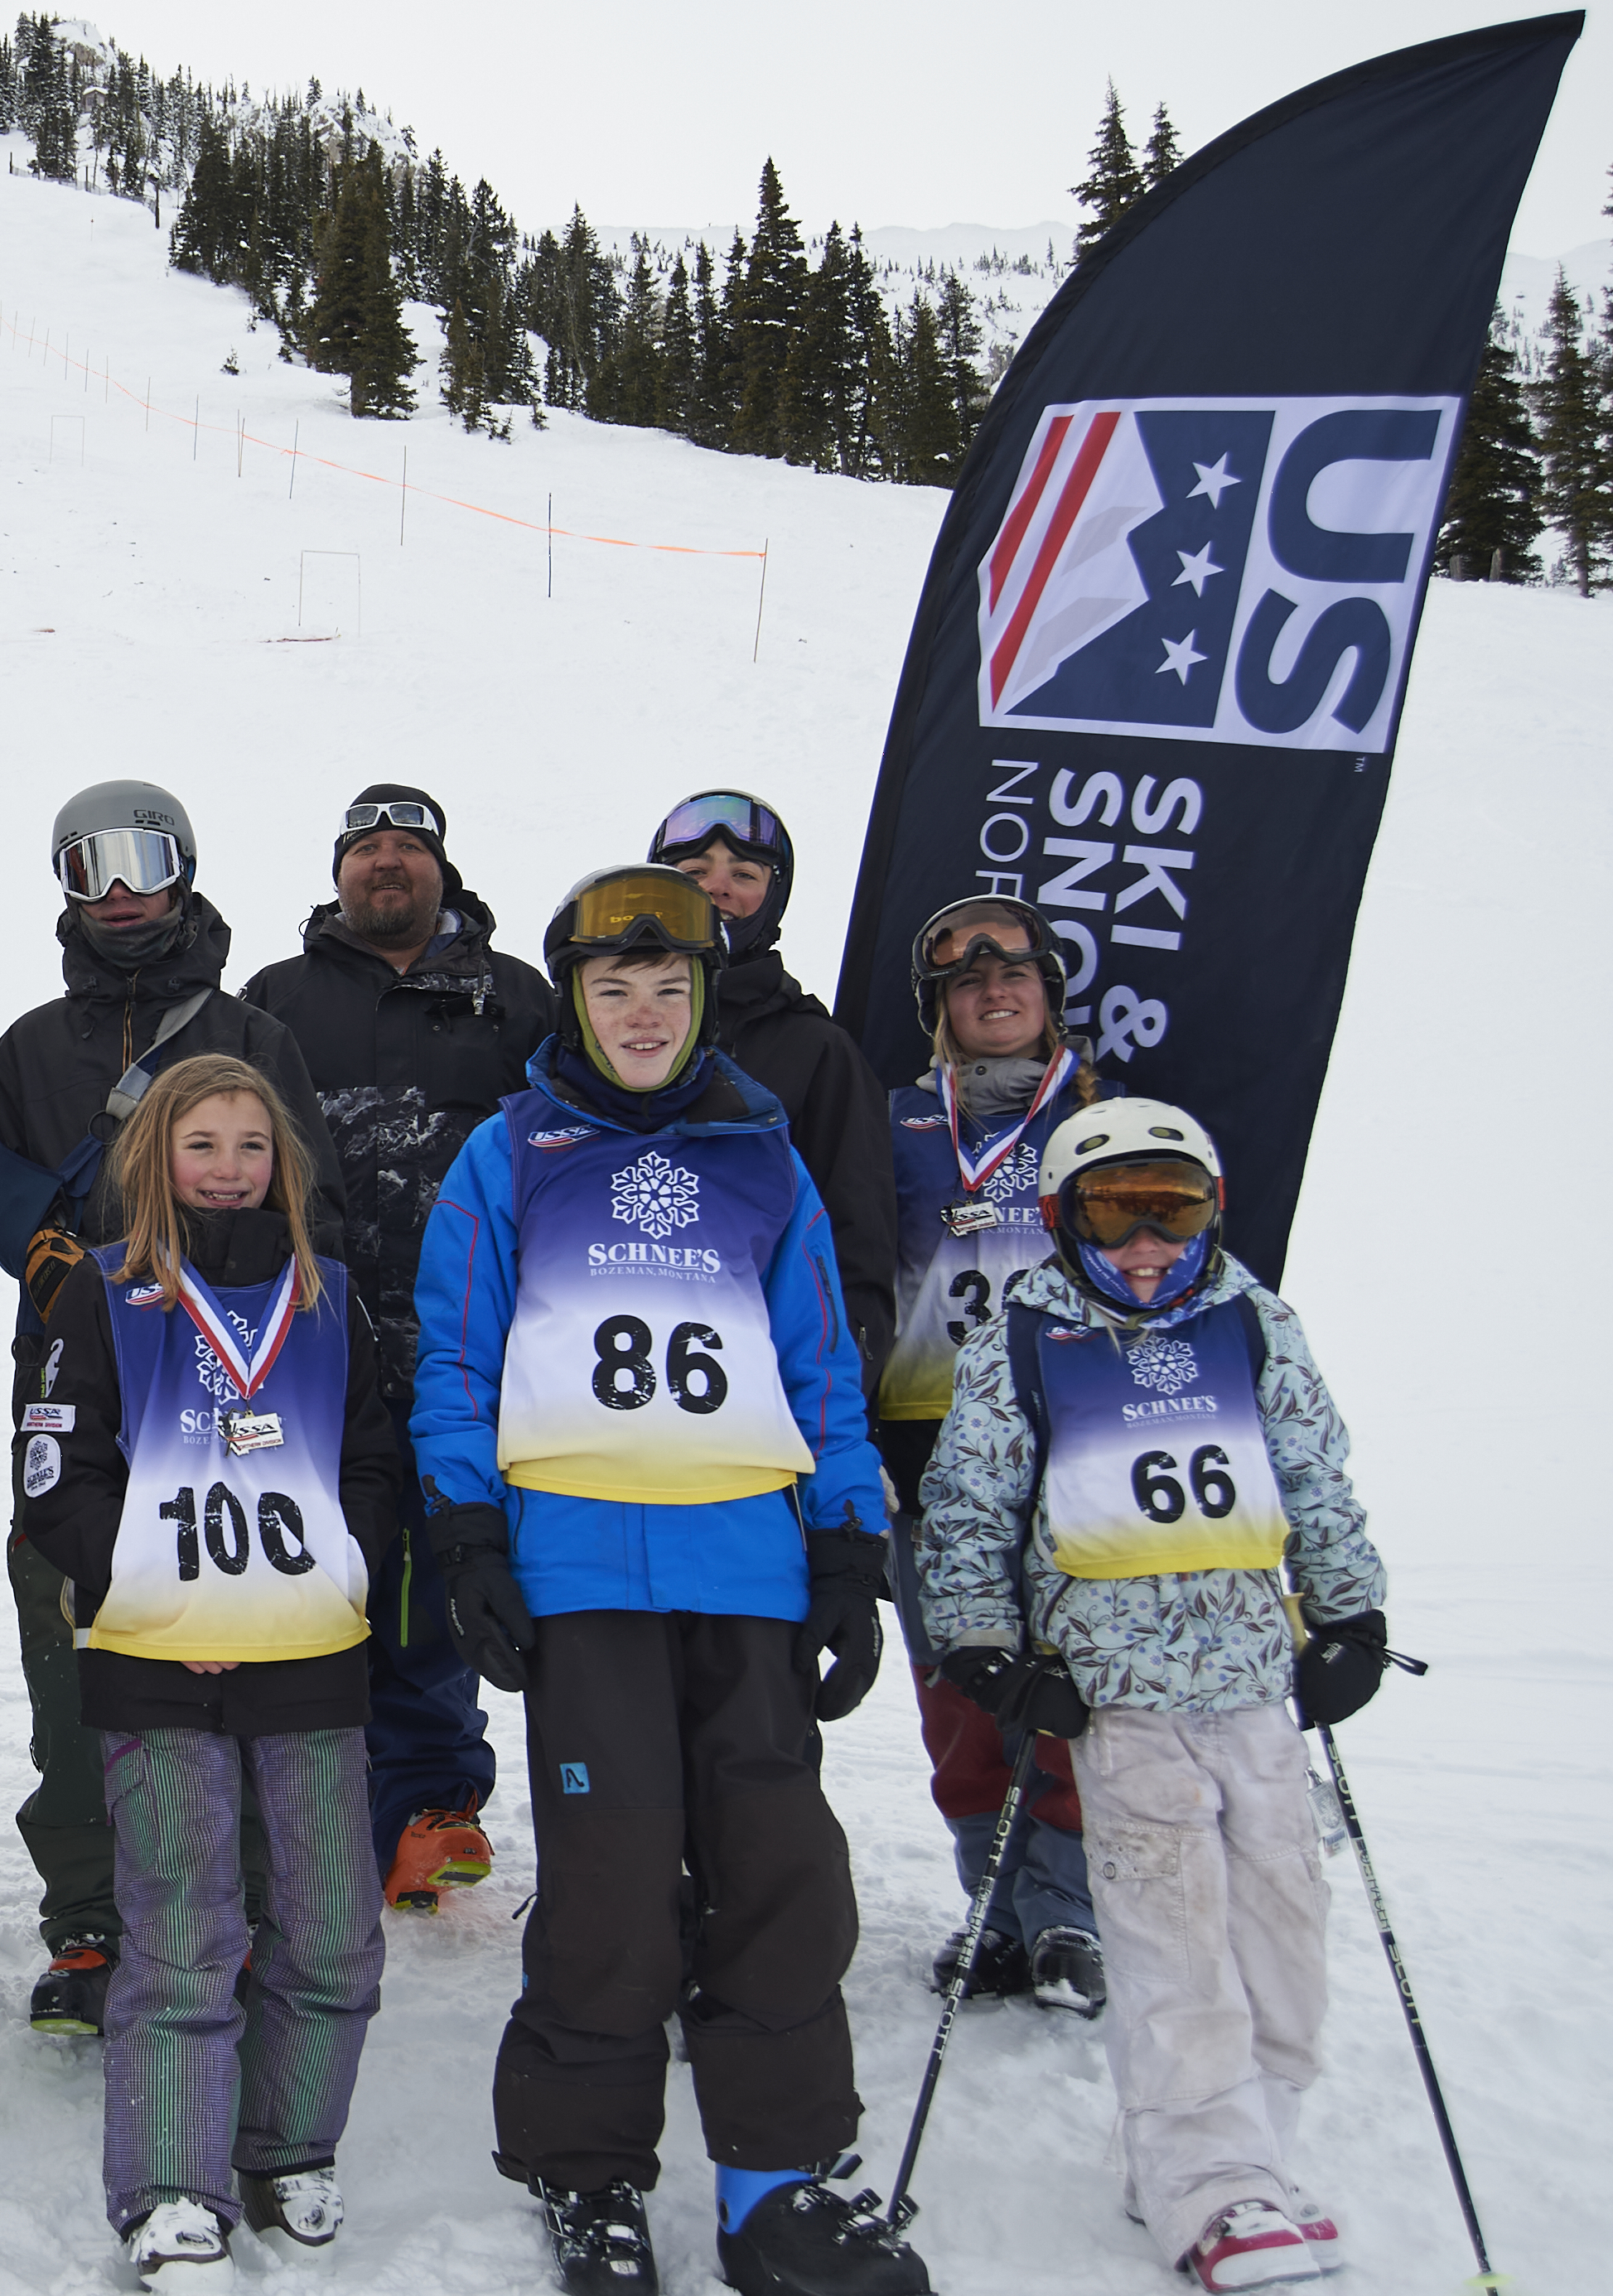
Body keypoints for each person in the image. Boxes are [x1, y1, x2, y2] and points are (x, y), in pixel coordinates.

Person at [406, 866, 931, 2296]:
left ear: (703, 1001)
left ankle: (774, 2185)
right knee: (615, 1876)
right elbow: (454, 1361)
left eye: (667, 988)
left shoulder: (765, 1160)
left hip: (748, 1573)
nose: (641, 1013)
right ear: (574, 1001)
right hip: (580, 1578)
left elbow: (821, 1368)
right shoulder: (509, 1154)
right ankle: (588, 2175)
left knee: (778, 1868)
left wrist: (846, 1547)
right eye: (612, 988)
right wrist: (468, 1535)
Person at [912, 1099, 1385, 2294]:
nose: (1143, 1246)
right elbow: (968, 1505)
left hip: (1254, 1683)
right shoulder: (1028, 1337)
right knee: (1173, 1939)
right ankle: (1206, 2184)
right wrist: (985, 1647)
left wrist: (1349, 1616)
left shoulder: (1252, 1322)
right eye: (1111, 1215)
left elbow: (1314, 1473)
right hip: (1116, 1695)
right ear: (1062, 1219)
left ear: (1210, 1211)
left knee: (1283, 1931)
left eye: (1170, 1213)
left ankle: (1255, 2156)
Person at [15, 1055, 392, 2284]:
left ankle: (290, 2146)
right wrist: (150, 1593)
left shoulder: (330, 1296)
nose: (228, 1169)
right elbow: (54, 1472)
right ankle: (172, 2184)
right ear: (154, 1160)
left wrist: (342, 1573)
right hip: (160, 1655)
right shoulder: (103, 1293)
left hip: (307, 1653)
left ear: (283, 1164)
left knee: (330, 1924)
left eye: (250, 1146)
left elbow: (374, 1462)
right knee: (183, 1926)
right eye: (201, 1145)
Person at [0, 779, 340, 2036]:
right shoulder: (30, 1049)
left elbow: (309, 1202)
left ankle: (232, 1915)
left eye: (142, 858)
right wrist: (40, 1255)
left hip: (229, 1395)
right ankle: (91, 1917)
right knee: (76, 1650)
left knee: (233, 1653)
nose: (120, 888)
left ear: (183, 867)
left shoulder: (250, 1035)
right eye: (89, 865)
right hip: (74, 1392)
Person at [242, 784, 553, 1914]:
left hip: (462, 1340)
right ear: (337, 872)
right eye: (365, 846)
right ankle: (306, 1801)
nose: (386, 862)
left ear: (440, 869)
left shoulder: (516, 998)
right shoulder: (275, 998)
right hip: (304, 1332)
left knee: (430, 1571)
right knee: (308, 1561)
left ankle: (430, 1804)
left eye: (407, 846)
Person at [875, 897, 1117, 2014]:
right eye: (966, 981)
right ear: (939, 1007)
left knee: (1068, 1682)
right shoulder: (895, 1123)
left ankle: (1067, 1911)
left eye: (1013, 972)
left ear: (1048, 990)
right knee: (959, 1691)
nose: (992, 991)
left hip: (1076, 1447)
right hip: (929, 1446)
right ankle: (995, 1908)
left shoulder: (1106, 1120)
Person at [650, 789, 897, 1377]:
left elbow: (856, 1238)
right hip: (597, 1361)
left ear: (774, 898)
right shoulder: (595, 1028)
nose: (717, 888)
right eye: (694, 872)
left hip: (757, 1374)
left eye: (744, 874)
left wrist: (840, 1386)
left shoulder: (816, 1049)